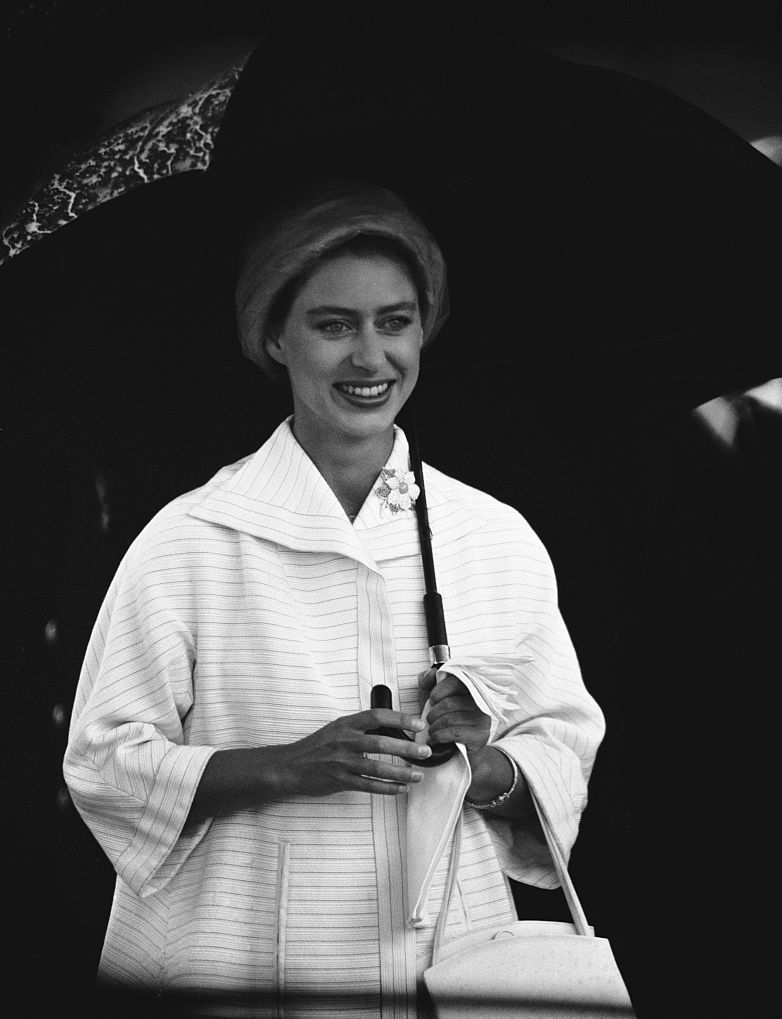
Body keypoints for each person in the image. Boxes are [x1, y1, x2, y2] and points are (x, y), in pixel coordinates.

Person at [62, 182, 605, 1015]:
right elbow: (102, 762)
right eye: (333, 324)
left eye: (395, 321)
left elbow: (562, 746)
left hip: (455, 965)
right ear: (274, 335)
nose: (370, 357)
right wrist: (291, 763)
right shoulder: (192, 539)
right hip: (236, 965)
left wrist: (483, 765)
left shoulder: (492, 537)